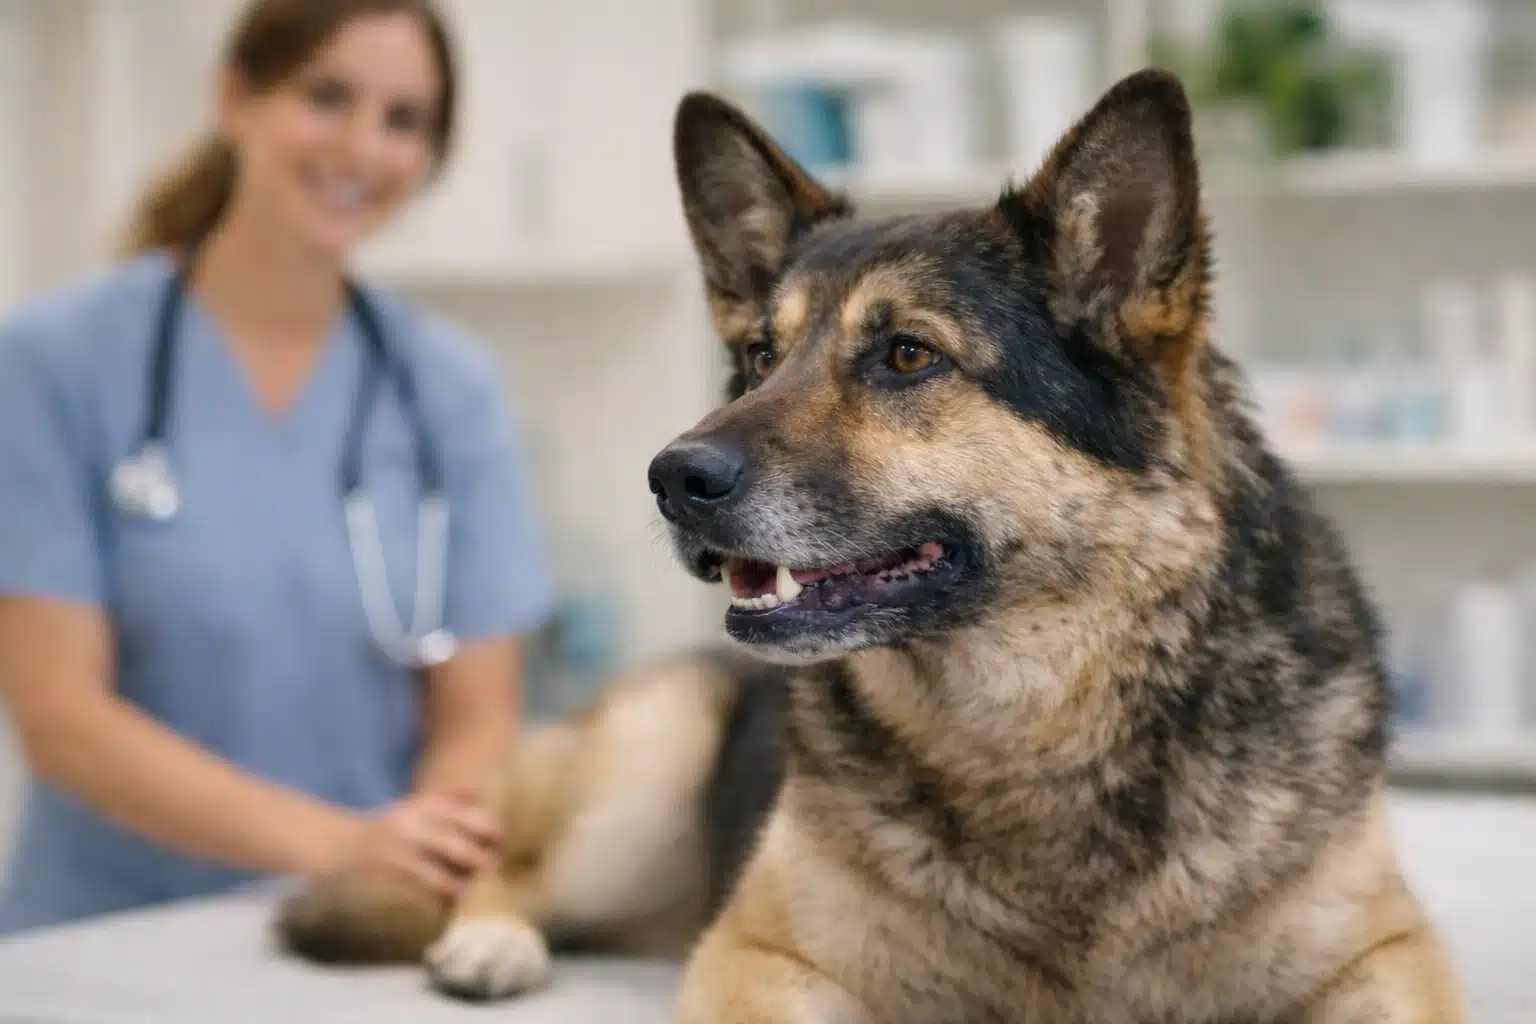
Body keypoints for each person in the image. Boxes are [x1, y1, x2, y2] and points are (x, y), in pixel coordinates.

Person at [0, 0, 555, 935]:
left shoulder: (447, 386)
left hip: (346, 932)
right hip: (103, 935)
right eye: (327, 96)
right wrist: (338, 842)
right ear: (235, 97)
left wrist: (414, 853)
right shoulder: (56, 360)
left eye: (403, 119)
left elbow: (476, 716)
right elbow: (60, 716)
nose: (361, 147)